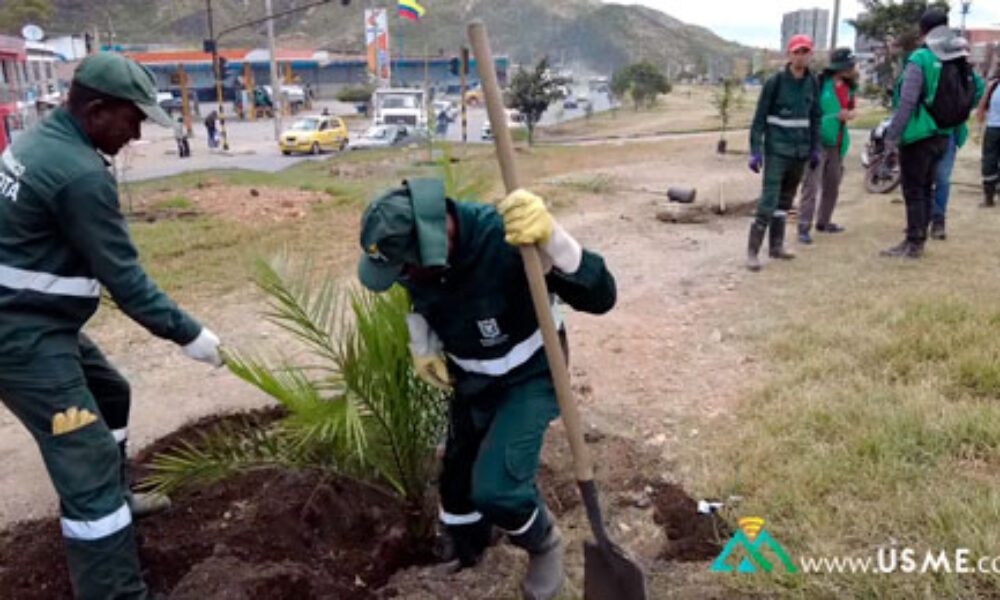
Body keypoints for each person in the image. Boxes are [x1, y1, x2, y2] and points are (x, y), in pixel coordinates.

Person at [0, 52, 223, 599]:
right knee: (88, 457)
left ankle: (117, 500)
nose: (137, 132)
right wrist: (190, 334)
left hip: (31, 314)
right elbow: (126, 281)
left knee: (109, 391)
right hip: (17, 332)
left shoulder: (43, 140)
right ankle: (115, 587)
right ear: (97, 110)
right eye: (133, 118)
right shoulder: (77, 175)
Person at [356, 179, 616, 600]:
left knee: (498, 488)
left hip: (531, 372)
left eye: (402, 268)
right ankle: (467, 549)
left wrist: (555, 241)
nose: (401, 277)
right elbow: (419, 295)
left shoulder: (507, 239)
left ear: (436, 244)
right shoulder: (420, 258)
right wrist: (422, 342)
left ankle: (543, 543)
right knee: (457, 483)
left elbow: (603, 297)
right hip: (472, 377)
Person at [881, 10, 977, 258]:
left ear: (923, 31)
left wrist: (892, 137)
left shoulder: (920, 58)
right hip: (944, 136)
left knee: (913, 190)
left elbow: (907, 103)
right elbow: (977, 89)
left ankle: (913, 243)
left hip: (918, 135)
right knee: (927, 188)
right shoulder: (957, 59)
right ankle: (918, 239)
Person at [746, 34, 822, 271]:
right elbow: (759, 120)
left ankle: (776, 247)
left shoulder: (813, 83)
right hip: (777, 150)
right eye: (797, 51)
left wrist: (815, 148)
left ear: (811, 55)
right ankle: (752, 253)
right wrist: (755, 150)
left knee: (786, 201)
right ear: (789, 54)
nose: (801, 56)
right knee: (768, 201)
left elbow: (815, 117)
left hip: (799, 154)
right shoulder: (775, 82)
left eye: (805, 52)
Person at [797, 48, 857, 245]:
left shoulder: (850, 88)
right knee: (811, 184)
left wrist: (849, 114)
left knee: (833, 183)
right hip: (817, 140)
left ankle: (824, 221)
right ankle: (804, 226)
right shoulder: (820, 84)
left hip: (837, 142)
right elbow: (809, 113)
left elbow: (850, 108)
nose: (853, 68)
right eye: (850, 65)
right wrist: (834, 117)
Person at [929, 44, 984, 240]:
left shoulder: (965, 74)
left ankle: (938, 220)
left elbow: (978, 90)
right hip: (927, 130)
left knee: (942, 178)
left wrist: (962, 109)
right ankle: (924, 217)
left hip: (949, 132)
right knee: (928, 177)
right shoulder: (932, 66)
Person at [978, 68, 1000, 208]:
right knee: (989, 163)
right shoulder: (994, 85)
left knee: (989, 162)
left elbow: (981, 107)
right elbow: (982, 106)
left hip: (992, 129)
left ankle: (989, 197)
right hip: (993, 128)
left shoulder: (993, 85)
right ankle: (989, 196)